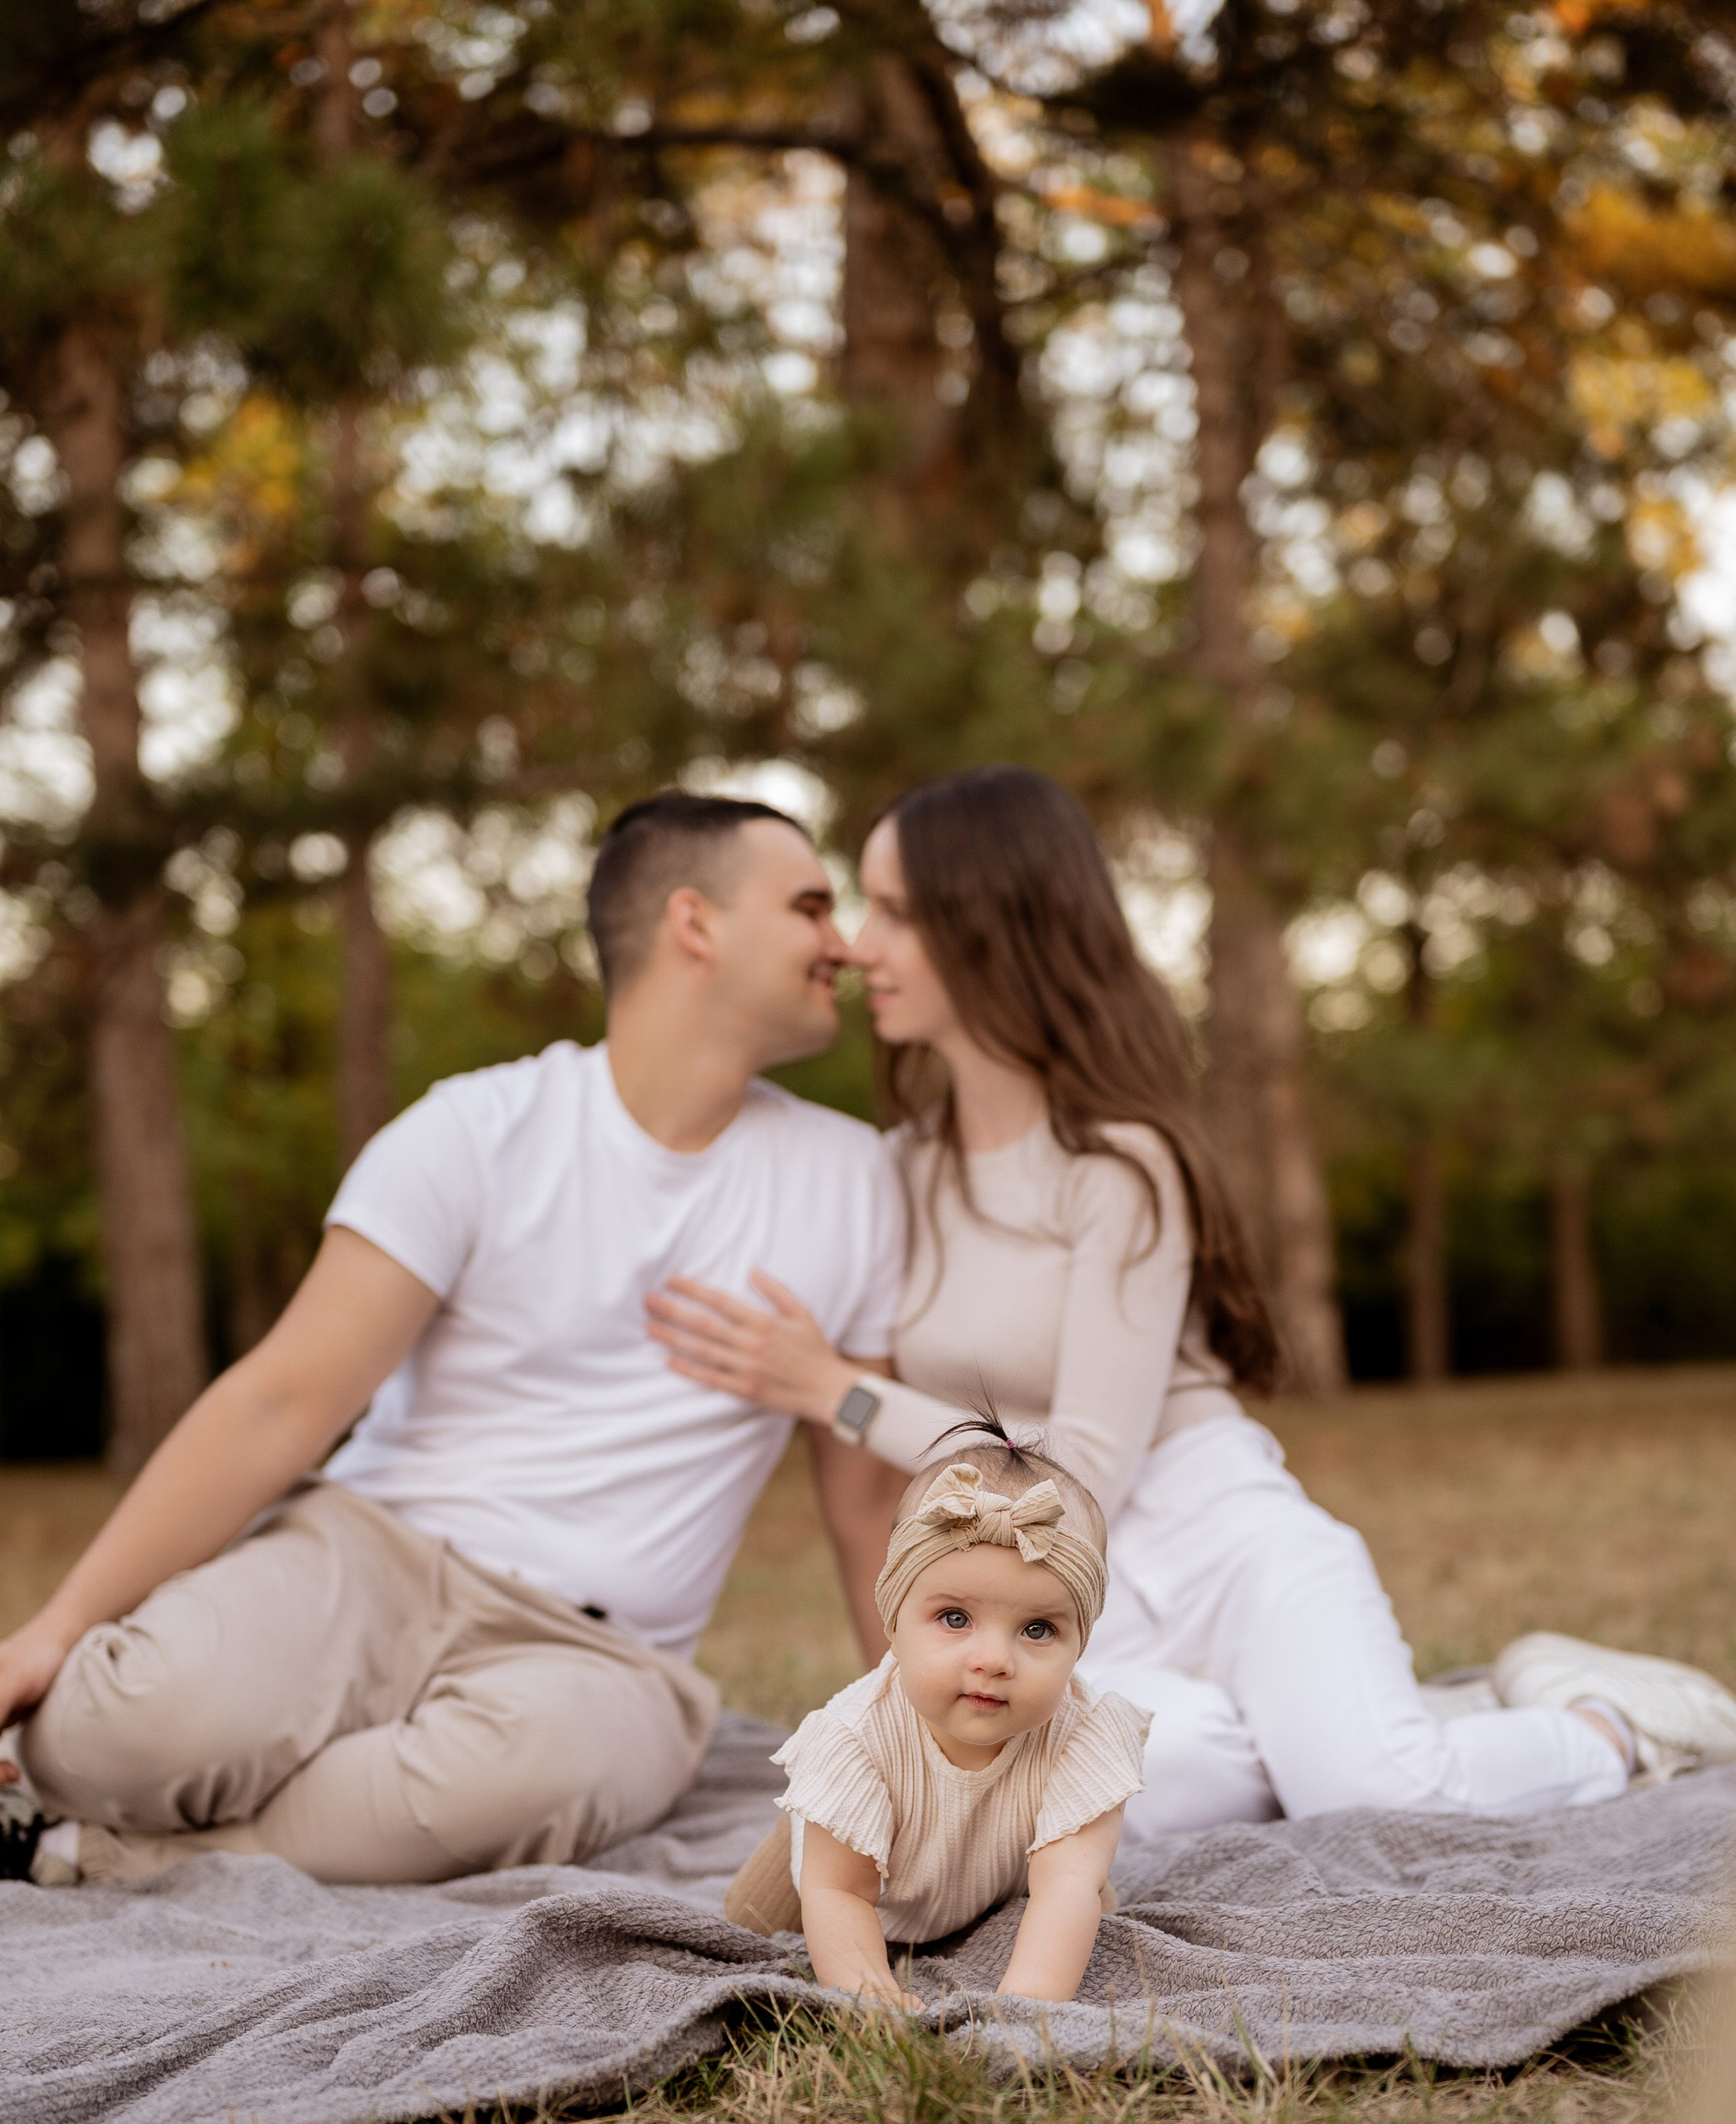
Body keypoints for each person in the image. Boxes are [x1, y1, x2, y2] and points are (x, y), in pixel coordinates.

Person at [648, 766, 1736, 1836]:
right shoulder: (901, 1173)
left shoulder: (1121, 1166)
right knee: (1109, 1795)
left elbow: (1082, 1473)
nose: (855, 944)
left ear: (991, 926)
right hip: (1060, 1595)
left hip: (1215, 1537)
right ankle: (1381, 1721)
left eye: (892, 911)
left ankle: (1613, 1725)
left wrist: (838, 1392)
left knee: (1377, 1801)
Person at [0, 791, 907, 1893]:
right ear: (697, 923)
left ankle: (82, 1851)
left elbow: (864, 1505)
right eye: (814, 907)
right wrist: (61, 1625)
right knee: (116, 1729)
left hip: (599, 1659)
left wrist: (929, 1758)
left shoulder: (857, 1181)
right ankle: (106, 1796)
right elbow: (280, 1403)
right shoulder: (474, 1131)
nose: (847, 944)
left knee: (531, 1777)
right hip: (371, 1557)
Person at [726, 1425, 1147, 2004]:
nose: (995, 1660)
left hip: (992, 1882)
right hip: (855, 1878)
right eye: (955, 1619)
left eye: (1038, 1629)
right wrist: (869, 1997)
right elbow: (840, 1892)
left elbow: (1067, 1885)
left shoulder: (1084, 1736)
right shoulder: (855, 1740)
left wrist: (1024, 2012)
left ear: (1082, 1643)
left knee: (1089, 1896)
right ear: (893, 1619)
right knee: (748, 1926)